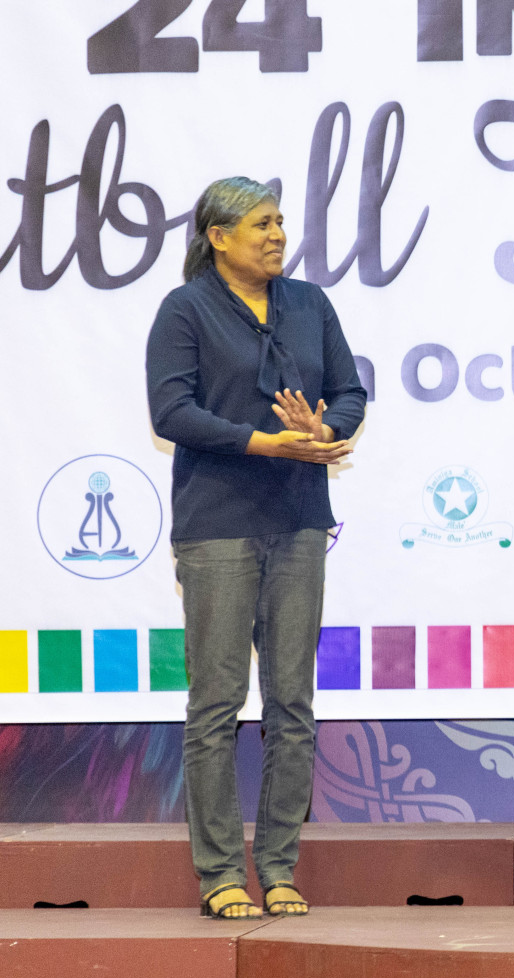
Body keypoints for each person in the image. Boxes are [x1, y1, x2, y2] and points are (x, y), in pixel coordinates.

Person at [146, 176, 366, 919]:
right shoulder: (186, 310)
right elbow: (171, 409)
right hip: (218, 526)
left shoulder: (309, 303)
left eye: (280, 223)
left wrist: (326, 431)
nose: (277, 235)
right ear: (218, 236)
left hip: (301, 519)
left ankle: (277, 867)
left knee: (292, 704)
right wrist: (263, 441)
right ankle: (219, 876)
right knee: (215, 704)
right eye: (262, 224)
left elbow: (350, 389)